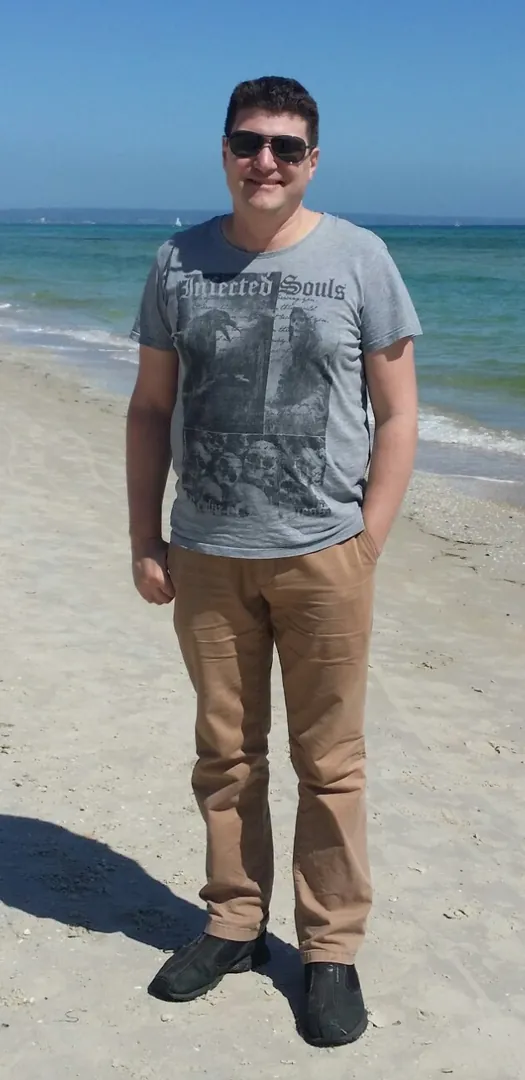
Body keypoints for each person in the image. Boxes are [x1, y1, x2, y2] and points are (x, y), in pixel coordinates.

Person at [126, 75, 421, 1048]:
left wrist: (368, 536)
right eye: (250, 143)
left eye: (286, 148)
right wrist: (145, 535)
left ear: (312, 162)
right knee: (226, 754)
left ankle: (329, 949)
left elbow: (399, 411)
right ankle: (234, 923)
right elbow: (152, 408)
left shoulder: (360, 261)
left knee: (329, 762)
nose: (266, 161)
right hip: (207, 553)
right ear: (224, 151)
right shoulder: (180, 261)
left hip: (323, 556)